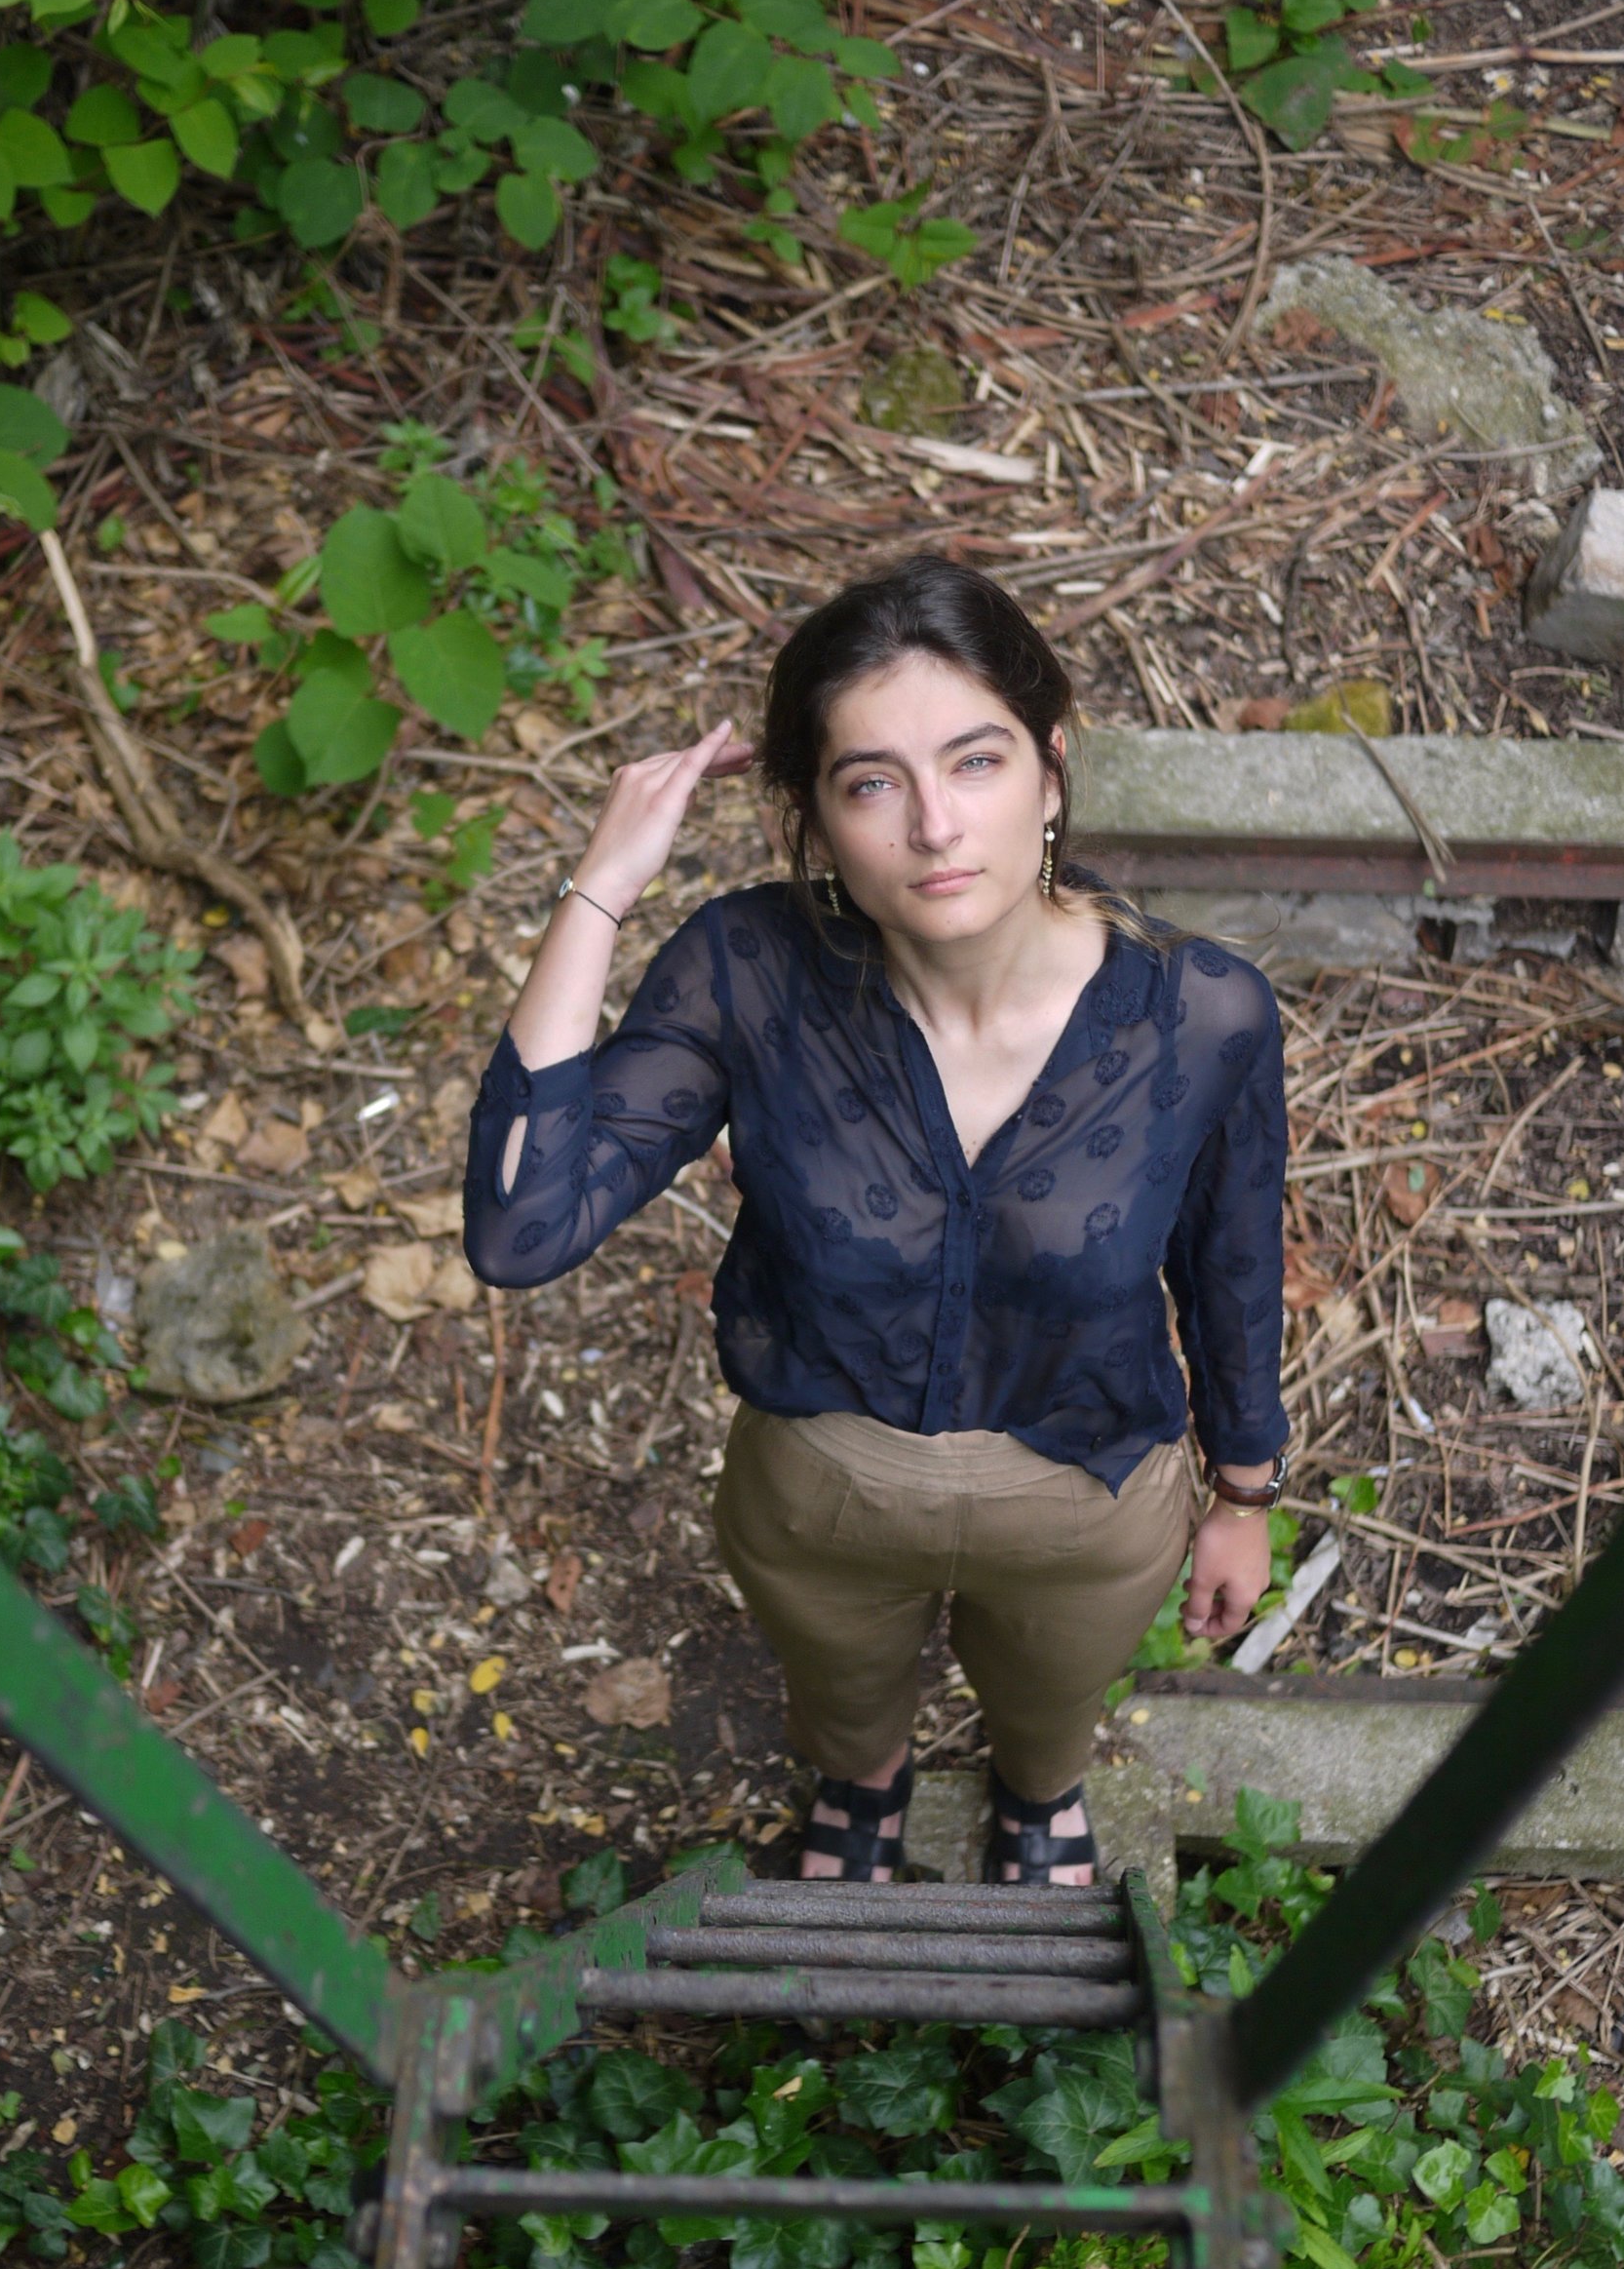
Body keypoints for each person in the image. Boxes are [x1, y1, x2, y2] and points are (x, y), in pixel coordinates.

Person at [462, 556, 1288, 1886]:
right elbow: (519, 1226)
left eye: (975, 762)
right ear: (816, 817)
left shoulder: (1200, 1015)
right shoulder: (750, 973)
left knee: (1049, 1710)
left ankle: (1037, 1798)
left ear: (1052, 769)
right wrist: (602, 888)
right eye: (872, 783)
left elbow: (1234, 1266)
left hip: (1085, 1497)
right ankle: (862, 1786)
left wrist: (1244, 1490)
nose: (935, 828)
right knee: (844, 1691)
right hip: (826, 1487)